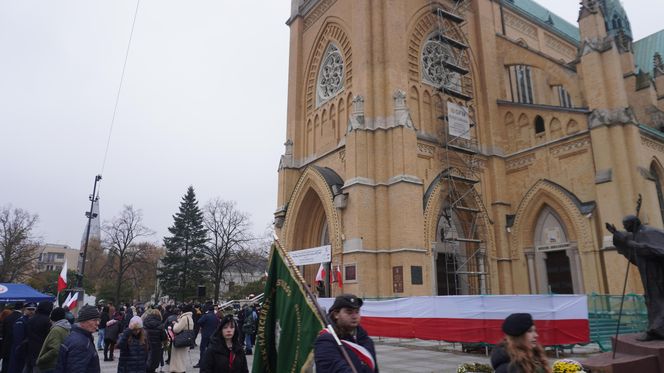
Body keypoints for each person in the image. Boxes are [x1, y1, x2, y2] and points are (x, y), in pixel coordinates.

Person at [607, 215, 664, 341]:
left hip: (658, 275)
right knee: (651, 300)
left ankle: (656, 330)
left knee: (658, 301)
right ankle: (656, 330)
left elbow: (660, 251)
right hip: (648, 275)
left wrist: (638, 246)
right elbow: (627, 241)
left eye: (626, 225)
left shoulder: (651, 233)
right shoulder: (636, 234)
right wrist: (615, 233)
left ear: (633, 224)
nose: (624, 227)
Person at [314, 294, 378, 373]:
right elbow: (335, 368)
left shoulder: (366, 340)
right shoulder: (326, 341)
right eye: (349, 312)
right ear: (336, 314)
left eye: (357, 312)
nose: (354, 316)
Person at [54, 305, 101, 373]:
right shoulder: (81, 344)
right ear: (83, 321)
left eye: (98, 320)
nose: (97, 323)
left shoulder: (77, 336)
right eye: (94, 320)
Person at [36, 307, 71, 373]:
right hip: (59, 363)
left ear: (53, 318)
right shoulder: (66, 327)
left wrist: (41, 359)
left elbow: (55, 350)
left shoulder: (56, 330)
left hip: (51, 365)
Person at [24, 301, 54, 372]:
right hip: (41, 351)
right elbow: (48, 337)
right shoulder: (47, 321)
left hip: (29, 350)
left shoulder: (31, 319)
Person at [7, 302, 36, 373]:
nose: (31, 311)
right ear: (24, 310)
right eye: (29, 309)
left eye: (33, 309)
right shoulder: (21, 321)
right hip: (19, 352)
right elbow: (18, 339)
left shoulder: (32, 321)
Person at [169, 304, 194, 373]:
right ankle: (180, 369)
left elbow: (176, 329)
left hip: (180, 339)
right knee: (182, 357)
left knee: (178, 357)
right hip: (186, 339)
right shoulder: (190, 318)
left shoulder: (184, 318)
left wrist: (175, 323)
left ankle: (178, 370)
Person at [1, 302, 24, 373]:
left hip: (6, 344)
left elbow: (3, 332)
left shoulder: (7, 317)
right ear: (22, 308)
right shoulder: (22, 318)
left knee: (5, 364)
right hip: (18, 345)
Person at [142, 308, 166, 373]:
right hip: (156, 348)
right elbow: (164, 338)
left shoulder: (144, 322)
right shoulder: (160, 324)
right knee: (153, 365)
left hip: (146, 347)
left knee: (146, 363)